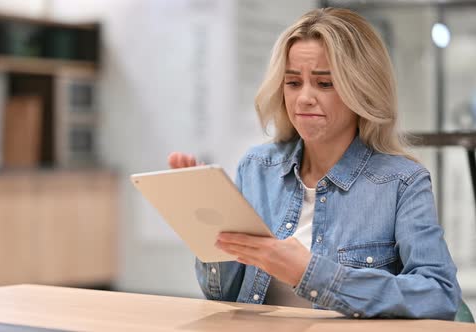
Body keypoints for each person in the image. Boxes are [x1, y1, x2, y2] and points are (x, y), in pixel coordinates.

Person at [168, 7, 461, 319]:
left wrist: (311, 273)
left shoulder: (402, 182)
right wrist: (208, 235)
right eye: (293, 82)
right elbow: (222, 294)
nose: (304, 98)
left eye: (324, 84)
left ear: (361, 89)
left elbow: (439, 295)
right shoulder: (256, 168)